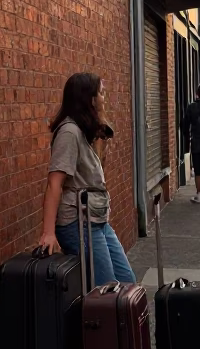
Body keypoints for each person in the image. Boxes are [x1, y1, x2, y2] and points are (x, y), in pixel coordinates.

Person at [38, 73, 137, 286]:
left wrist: (100, 131)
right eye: (101, 94)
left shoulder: (84, 131)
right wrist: (48, 232)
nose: (104, 98)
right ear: (90, 99)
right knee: (107, 289)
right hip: (78, 223)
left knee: (127, 281)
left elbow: (97, 173)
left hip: (97, 219)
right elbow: (55, 182)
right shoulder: (69, 133)